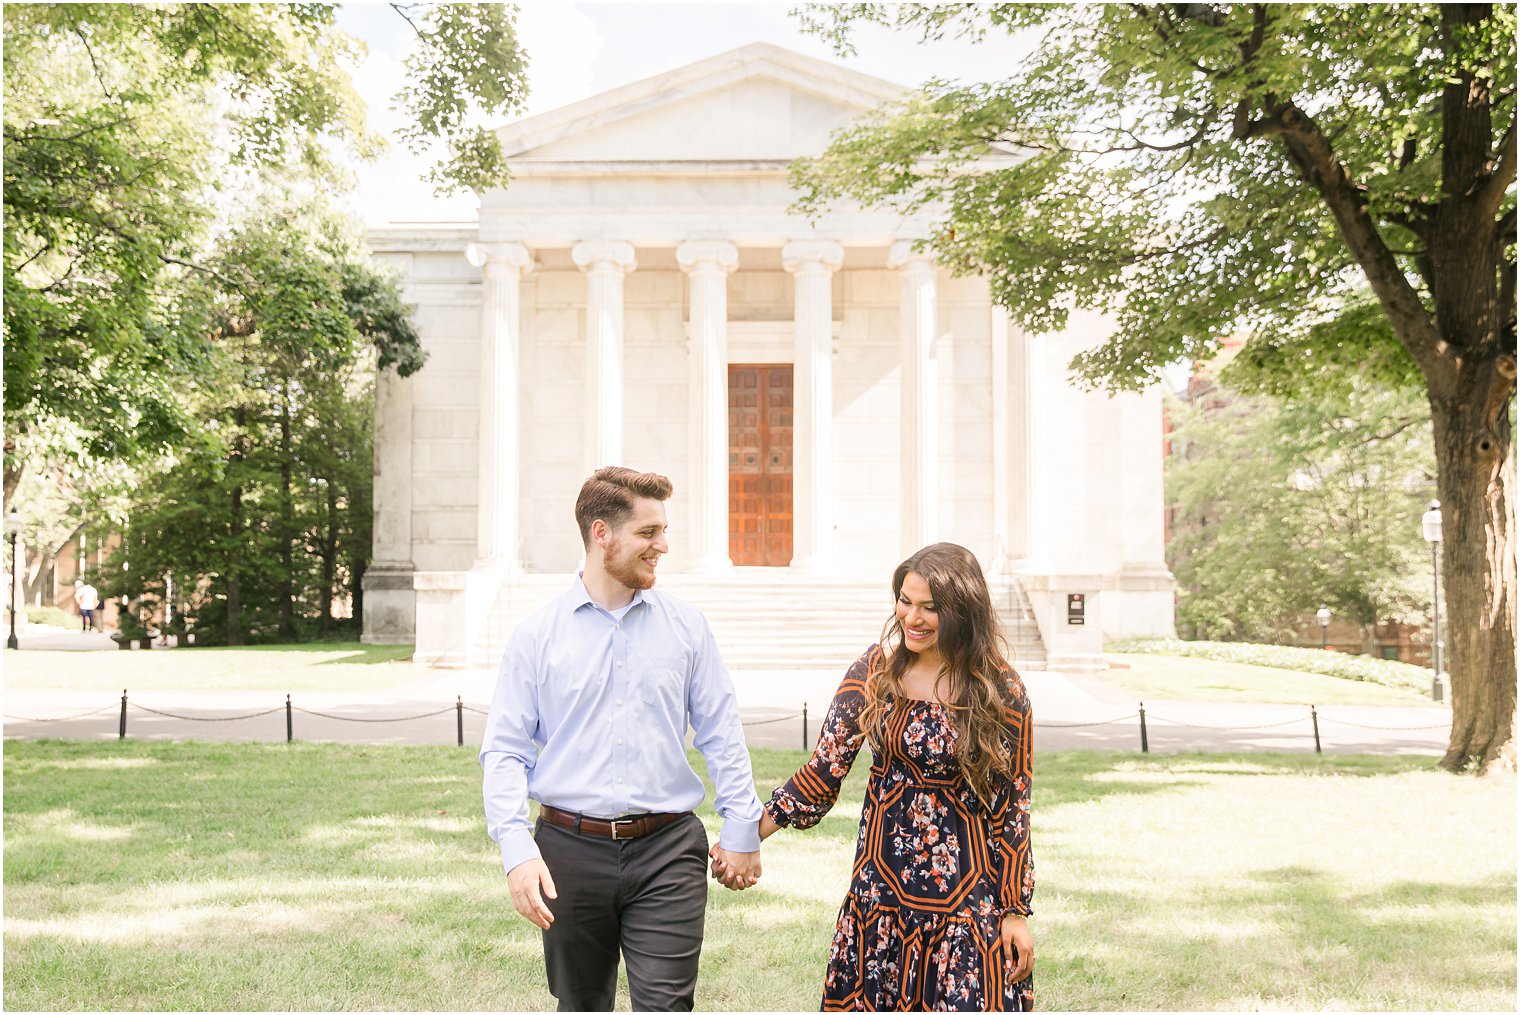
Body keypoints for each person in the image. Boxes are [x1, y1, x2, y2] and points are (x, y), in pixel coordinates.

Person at [480, 466, 764, 1012]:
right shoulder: (536, 637)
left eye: (662, 531)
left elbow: (721, 731)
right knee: (581, 1003)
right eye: (649, 532)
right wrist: (517, 851)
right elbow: (505, 751)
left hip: (668, 849)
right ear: (601, 533)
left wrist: (742, 825)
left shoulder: (687, 628)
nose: (663, 546)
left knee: (666, 1005)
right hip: (567, 851)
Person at [718, 542, 1035, 1011]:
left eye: (931, 607)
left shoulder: (999, 689)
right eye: (905, 601)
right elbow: (823, 771)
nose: (913, 617)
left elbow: (1013, 807)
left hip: (966, 905)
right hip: (879, 897)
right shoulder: (875, 671)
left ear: (964, 610)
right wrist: (746, 835)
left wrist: (1014, 911)